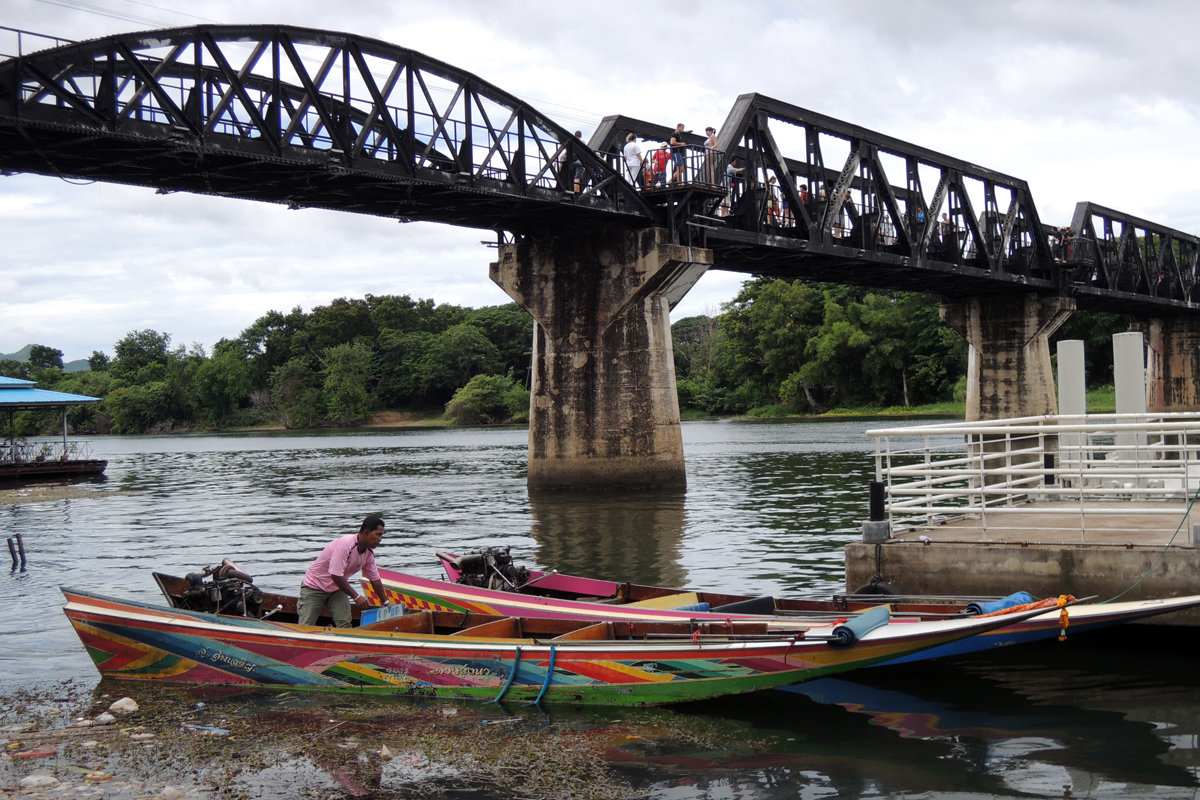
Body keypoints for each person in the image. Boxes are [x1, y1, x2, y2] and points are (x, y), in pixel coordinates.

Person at [298, 515, 388, 627]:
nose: (380, 539)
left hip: (337, 589)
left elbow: (374, 579)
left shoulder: (368, 553)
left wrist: (386, 603)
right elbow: (335, 575)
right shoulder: (345, 545)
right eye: (378, 534)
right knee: (305, 626)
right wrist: (356, 596)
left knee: (345, 624)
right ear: (366, 532)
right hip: (315, 586)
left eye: (382, 536)